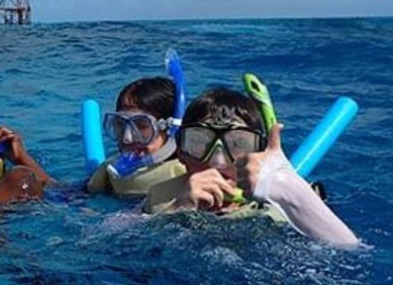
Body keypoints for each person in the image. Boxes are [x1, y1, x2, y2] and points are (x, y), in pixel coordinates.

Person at [144, 87, 360, 247]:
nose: (217, 161)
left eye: (238, 144)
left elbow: (350, 251)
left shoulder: (285, 206)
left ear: (259, 154)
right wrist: (177, 211)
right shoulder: (164, 198)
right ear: (181, 152)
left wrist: (290, 192)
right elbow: (127, 236)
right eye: (199, 143)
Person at [85, 77, 185, 198]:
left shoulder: (186, 175)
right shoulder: (109, 172)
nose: (127, 138)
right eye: (120, 124)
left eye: (141, 126)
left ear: (169, 128)